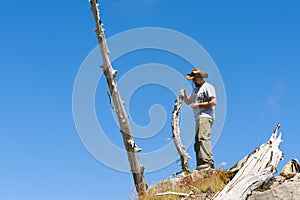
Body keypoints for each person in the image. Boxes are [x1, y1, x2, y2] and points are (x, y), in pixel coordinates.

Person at [180, 68, 217, 170]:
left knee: (203, 137)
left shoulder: (208, 87)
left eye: (195, 79)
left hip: (206, 115)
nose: (194, 81)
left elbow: (213, 102)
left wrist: (199, 105)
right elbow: (188, 102)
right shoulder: (195, 90)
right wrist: (184, 96)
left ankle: (208, 161)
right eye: (193, 79)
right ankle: (200, 163)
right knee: (197, 140)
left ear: (200, 78)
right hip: (198, 118)